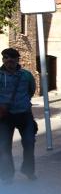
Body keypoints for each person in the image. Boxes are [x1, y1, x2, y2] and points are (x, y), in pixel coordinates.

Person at [0, 48, 37, 184]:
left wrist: (22, 102)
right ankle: (7, 176)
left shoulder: (26, 75)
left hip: (24, 114)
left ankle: (28, 171)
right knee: (3, 146)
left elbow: (31, 90)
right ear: (3, 59)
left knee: (29, 142)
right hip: (5, 116)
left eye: (12, 58)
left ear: (17, 59)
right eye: (6, 58)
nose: (9, 60)